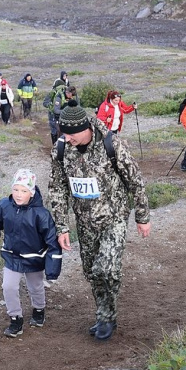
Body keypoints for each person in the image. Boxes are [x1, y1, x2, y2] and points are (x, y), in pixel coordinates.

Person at [47, 100, 152, 341]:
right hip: (84, 222)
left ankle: (107, 315)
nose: (67, 138)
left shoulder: (111, 144)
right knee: (91, 272)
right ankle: (103, 313)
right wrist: (62, 226)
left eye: (71, 134)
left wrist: (142, 217)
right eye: (64, 133)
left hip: (113, 218)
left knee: (106, 268)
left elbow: (135, 181)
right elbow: (57, 189)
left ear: (86, 128)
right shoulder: (61, 149)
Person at [0, 169, 62, 338]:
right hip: (12, 256)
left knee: (35, 286)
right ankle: (15, 319)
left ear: (31, 193)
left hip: (34, 258)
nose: (19, 194)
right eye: (16, 189)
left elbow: (52, 243)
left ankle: (39, 310)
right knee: (8, 286)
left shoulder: (41, 214)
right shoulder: (4, 206)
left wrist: (52, 270)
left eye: (24, 191)